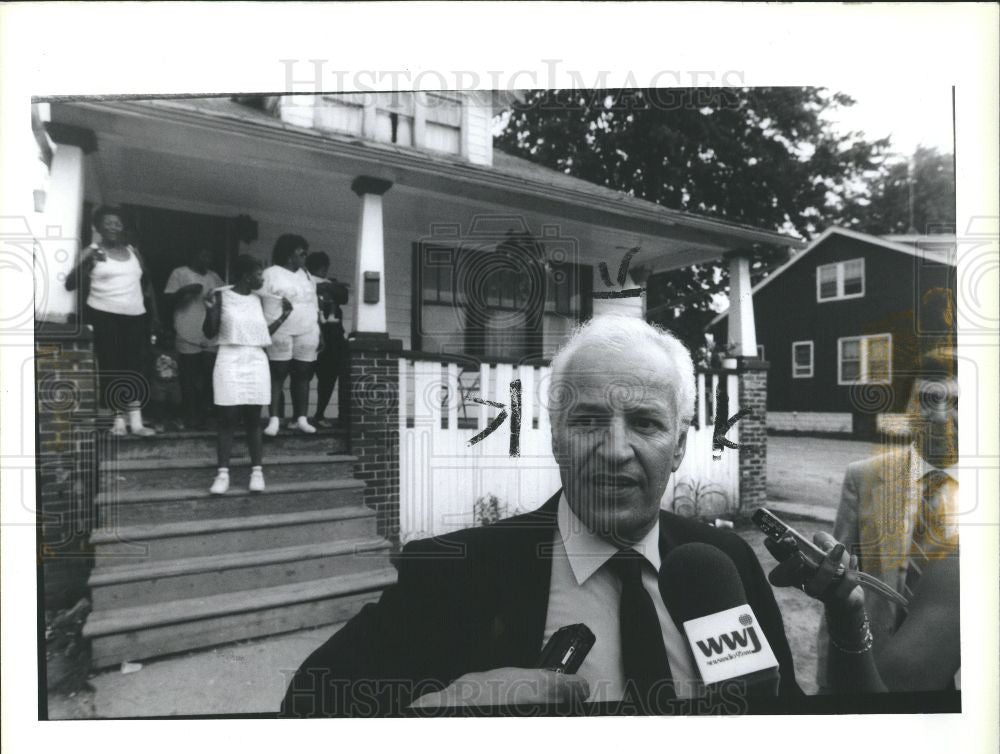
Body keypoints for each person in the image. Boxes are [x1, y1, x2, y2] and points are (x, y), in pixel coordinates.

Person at [281, 315, 801, 717]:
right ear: (555, 437)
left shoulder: (722, 565)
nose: (616, 449)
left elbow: (785, 710)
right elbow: (307, 705)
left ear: (680, 445)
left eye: (645, 422)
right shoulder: (456, 572)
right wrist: (443, 709)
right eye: (589, 420)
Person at [815, 346, 960, 692]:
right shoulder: (864, 478)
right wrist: (827, 684)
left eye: (957, 402)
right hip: (873, 672)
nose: (940, 416)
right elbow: (839, 588)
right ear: (908, 406)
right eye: (927, 399)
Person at [65, 205, 160, 436]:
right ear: (98, 228)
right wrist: (89, 262)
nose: (113, 228)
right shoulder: (91, 251)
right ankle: (117, 419)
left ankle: (136, 422)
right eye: (107, 224)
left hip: (136, 316)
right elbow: (70, 284)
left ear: (123, 227)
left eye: (117, 223)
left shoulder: (133, 252)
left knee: (135, 367)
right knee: (112, 364)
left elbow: (146, 285)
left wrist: (155, 316)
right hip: (104, 314)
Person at [202, 255, 293, 495]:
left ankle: (257, 472)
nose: (262, 279)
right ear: (246, 276)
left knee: (254, 419)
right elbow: (210, 332)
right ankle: (222, 475)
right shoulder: (222, 296)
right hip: (229, 357)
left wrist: (284, 316)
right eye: (258, 274)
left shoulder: (259, 300)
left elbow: (262, 334)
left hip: (255, 359)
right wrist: (210, 311)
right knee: (227, 418)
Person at [261, 234, 320, 437]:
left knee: (303, 373)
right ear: (288, 254)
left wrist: (319, 331)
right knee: (278, 374)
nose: (305, 256)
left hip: (307, 330)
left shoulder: (306, 275)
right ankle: (274, 420)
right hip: (280, 330)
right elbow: (260, 301)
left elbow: (314, 303)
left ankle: (301, 418)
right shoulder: (270, 274)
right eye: (301, 252)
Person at [163, 246, 224, 429]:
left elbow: (223, 302)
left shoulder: (214, 277)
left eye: (210, 255)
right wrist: (185, 291)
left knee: (210, 376)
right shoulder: (180, 273)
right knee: (188, 378)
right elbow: (167, 300)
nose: (207, 258)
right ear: (194, 254)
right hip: (186, 331)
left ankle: (206, 415)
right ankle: (190, 415)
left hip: (211, 335)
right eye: (203, 253)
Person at [305, 251, 350, 427]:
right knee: (303, 376)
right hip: (310, 333)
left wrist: (327, 285)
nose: (323, 270)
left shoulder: (330, 283)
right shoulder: (304, 283)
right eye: (320, 267)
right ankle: (300, 416)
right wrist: (324, 286)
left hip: (332, 337)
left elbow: (343, 296)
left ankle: (319, 415)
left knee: (328, 378)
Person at [147, 330, 184, 432]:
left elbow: (180, 367)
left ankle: (175, 419)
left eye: (171, 340)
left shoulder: (176, 352)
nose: (168, 342)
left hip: (174, 382)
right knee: (159, 402)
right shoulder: (155, 352)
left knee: (177, 401)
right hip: (159, 382)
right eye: (165, 340)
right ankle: (158, 421)